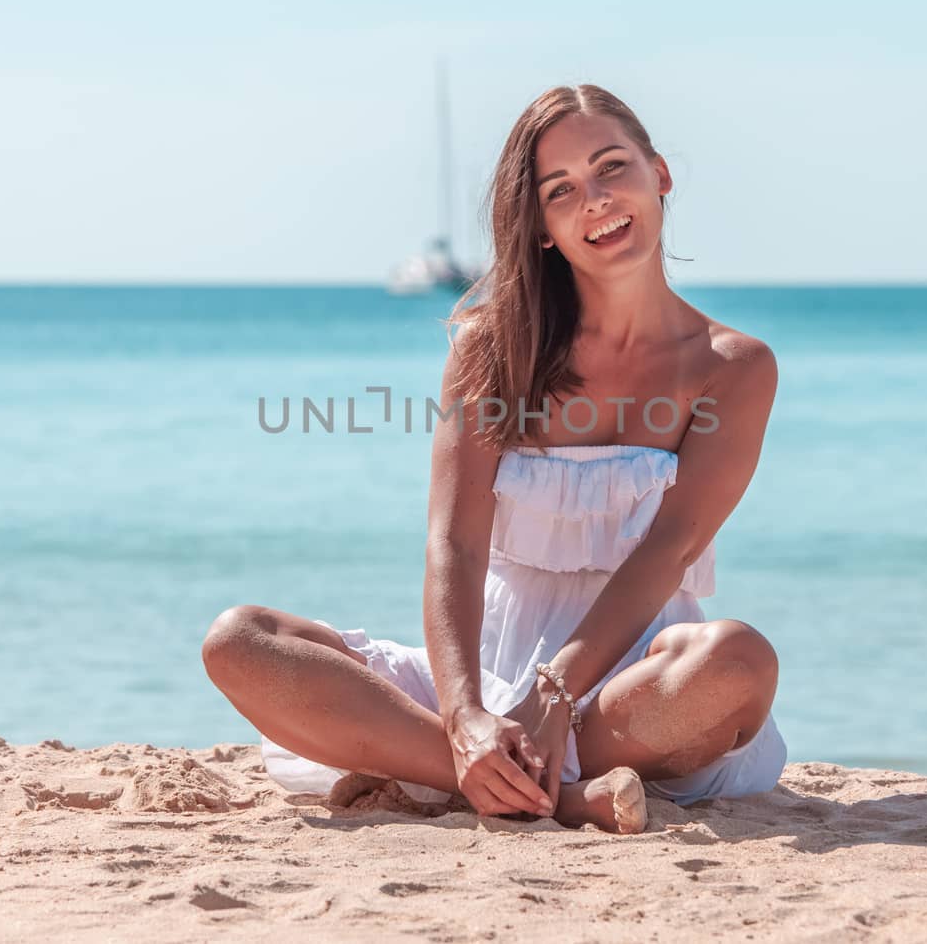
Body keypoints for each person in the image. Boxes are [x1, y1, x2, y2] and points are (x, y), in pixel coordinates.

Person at [202, 84, 786, 834]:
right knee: (241, 641)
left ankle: (485, 771)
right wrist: (465, 713)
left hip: (630, 686)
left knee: (738, 663)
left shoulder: (733, 367)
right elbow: (455, 542)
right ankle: (532, 785)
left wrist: (554, 696)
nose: (597, 199)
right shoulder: (491, 348)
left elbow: (667, 552)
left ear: (660, 174)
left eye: (612, 167)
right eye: (563, 190)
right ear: (542, 227)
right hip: (482, 670)